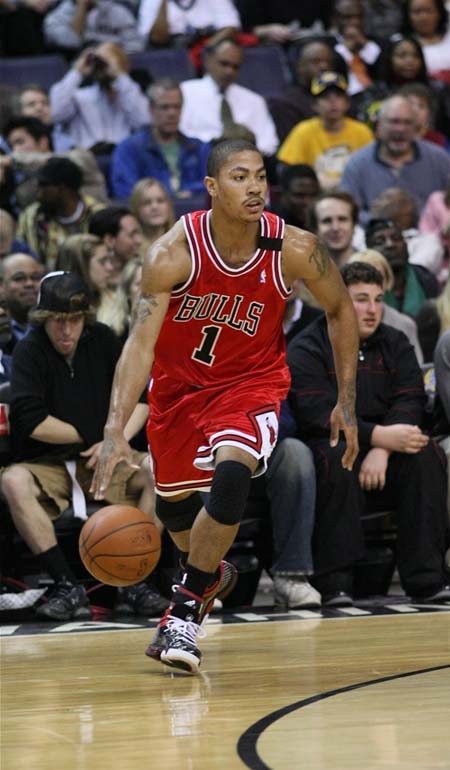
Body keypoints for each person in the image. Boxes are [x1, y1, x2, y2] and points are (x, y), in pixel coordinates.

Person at [90, 138, 359, 674]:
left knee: (233, 470)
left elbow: (340, 309)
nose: (255, 187)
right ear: (212, 186)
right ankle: (208, 573)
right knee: (175, 509)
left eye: (260, 175)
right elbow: (140, 344)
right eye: (240, 177)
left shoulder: (294, 248)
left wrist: (346, 400)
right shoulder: (171, 253)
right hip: (179, 393)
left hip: (251, 385)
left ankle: (183, 614)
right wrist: (115, 429)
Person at [1, 271, 169, 621]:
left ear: (85, 319)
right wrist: (99, 436)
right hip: (50, 463)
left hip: (109, 455)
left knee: (161, 471)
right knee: (12, 481)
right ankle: (66, 585)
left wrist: (115, 440)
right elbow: (31, 421)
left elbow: (142, 400)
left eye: (74, 320)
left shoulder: (104, 338)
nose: (66, 330)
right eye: (57, 321)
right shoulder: (29, 348)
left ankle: (135, 578)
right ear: (43, 319)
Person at [287, 261, 450, 605]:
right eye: (361, 300)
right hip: (330, 441)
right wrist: (376, 437)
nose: (373, 309)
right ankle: (336, 582)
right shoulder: (307, 346)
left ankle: (427, 579)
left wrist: (383, 447)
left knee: (426, 454)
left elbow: (411, 397)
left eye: (378, 300)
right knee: (336, 457)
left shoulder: (396, 342)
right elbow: (316, 412)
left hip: (385, 445)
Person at [340, 95, 450, 223]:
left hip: (429, 232)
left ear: (416, 127)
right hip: (374, 232)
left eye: (407, 122)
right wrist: (381, 222)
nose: (400, 129)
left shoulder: (439, 159)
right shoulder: (357, 163)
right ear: (379, 125)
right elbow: (348, 210)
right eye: (394, 122)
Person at [110, 78, 210, 201]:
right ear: (151, 109)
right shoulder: (129, 149)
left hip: (193, 211)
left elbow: (213, 187)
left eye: (177, 107)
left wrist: (189, 192)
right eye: (164, 107)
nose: (172, 113)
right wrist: (169, 196)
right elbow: (125, 191)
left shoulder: (200, 149)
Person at [179, 37, 279, 156]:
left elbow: (269, 143)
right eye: (224, 64)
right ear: (208, 60)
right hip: (199, 158)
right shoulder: (184, 92)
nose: (229, 71)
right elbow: (179, 134)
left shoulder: (254, 100)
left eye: (235, 67)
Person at [278, 71, 373, 190]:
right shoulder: (303, 131)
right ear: (314, 104)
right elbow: (289, 171)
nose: (333, 102)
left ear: (347, 103)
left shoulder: (362, 131)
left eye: (338, 96)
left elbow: (372, 170)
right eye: (325, 97)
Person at [49, 42, 151, 152]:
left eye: (109, 61)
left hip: (124, 156)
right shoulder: (79, 97)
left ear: (124, 65)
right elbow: (57, 114)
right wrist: (77, 72)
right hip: (87, 157)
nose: (103, 66)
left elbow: (144, 122)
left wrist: (120, 76)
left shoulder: (132, 95)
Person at [2, 115, 109, 210]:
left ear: (43, 142)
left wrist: (13, 160)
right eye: (12, 146)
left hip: (97, 222)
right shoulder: (27, 182)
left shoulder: (80, 156)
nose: (15, 150)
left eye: (20, 142)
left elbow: (63, 164)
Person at [16, 156, 105, 269]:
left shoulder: (98, 215)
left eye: (43, 185)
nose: (38, 192)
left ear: (62, 189)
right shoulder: (32, 215)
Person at [347, 248, 424, 363]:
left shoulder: (404, 325)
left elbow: (416, 369)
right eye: (361, 278)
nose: (371, 283)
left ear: (388, 280)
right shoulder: (329, 327)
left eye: (378, 277)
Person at [55, 233, 129, 341]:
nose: (110, 267)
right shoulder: (53, 312)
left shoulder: (118, 305)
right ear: (81, 266)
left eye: (109, 260)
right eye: (102, 261)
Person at [365, 217, 439, 317]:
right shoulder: (363, 284)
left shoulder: (426, 278)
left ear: (406, 244)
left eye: (396, 238)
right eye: (380, 241)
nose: (390, 245)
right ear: (368, 250)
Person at [267, 38, 338, 144]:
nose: (324, 66)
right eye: (316, 61)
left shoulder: (340, 98)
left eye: (328, 62)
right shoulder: (285, 103)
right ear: (300, 67)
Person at [369, 186, 445, 278]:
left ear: (406, 207)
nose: (377, 203)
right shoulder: (369, 237)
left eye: (386, 198)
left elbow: (415, 271)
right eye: (379, 241)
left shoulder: (428, 241)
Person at [44, 0, 145, 55]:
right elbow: (72, 42)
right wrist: (81, 7)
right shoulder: (57, 17)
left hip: (117, 66)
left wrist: (113, 56)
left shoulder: (118, 12)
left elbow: (136, 46)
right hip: (77, 69)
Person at [137, 0, 240, 48]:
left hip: (208, 45)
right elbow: (157, 39)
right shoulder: (151, 1)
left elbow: (231, 26)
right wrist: (164, 3)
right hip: (171, 51)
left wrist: (206, 49)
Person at [331, 0, 382, 95]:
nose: (355, 22)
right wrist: (346, 50)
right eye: (348, 17)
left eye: (359, 17)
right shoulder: (327, 45)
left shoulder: (377, 43)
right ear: (335, 19)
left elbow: (381, 73)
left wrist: (365, 46)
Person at [88, 206, 143, 284]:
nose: (139, 241)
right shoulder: (90, 284)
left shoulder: (144, 273)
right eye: (131, 235)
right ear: (109, 240)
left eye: (138, 233)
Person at [2, 253, 45, 352]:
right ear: (2, 285)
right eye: (19, 278)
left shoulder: (53, 325)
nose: (29, 284)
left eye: (35, 277)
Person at [308, 190, 361, 267]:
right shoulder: (302, 270)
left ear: (354, 224)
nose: (335, 228)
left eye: (342, 219)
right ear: (315, 228)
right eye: (327, 221)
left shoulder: (371, 266)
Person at [15, 84, 74, 152]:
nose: (39, 108)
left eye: (44, 103)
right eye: (31, 104)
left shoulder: (68, 138)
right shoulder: (8, 142)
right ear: (19, 112)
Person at [402, 0, 450, 80]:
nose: (423, 17)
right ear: (407, 15)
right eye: (417, 12)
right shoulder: (399, 41)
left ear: (439, 13)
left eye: (429, 11)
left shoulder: (448, 38)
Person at [129, 178, 176, 254]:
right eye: (147, 202)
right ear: (136, 208)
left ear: (169, 206)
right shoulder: (129, 248)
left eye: (160, 201)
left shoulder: (183, 243)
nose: (154, 207)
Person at [271, 164, 320, 231]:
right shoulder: (268, 226)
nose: (308, 202)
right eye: (299, 195)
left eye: (313, 195)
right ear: (282, 194)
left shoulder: (323, 222)